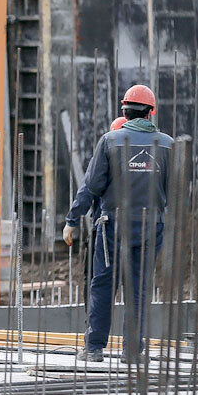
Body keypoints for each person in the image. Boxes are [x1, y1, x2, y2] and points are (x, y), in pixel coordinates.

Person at [63, 85, 173, 364]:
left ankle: (94, 347)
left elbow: (92, 185)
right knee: (139, 288)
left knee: (102, 285)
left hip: (112, 225)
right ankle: (133, 350)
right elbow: (175, 192)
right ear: (151, 112)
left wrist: (73, 219)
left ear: (124, 110)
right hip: (151, 226)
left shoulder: (110, 141)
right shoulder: (169, 145)